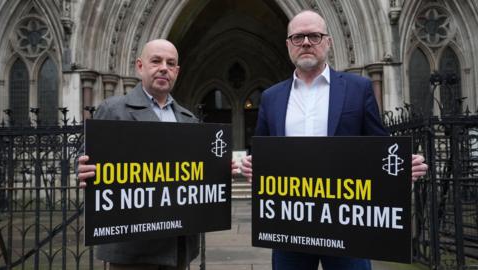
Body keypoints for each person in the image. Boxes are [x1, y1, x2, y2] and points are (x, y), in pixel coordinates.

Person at [240, 10, 428, 270]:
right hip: (289, 224)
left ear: (328, 42)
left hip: (346, 223)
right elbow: (261, 153)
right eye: (298, 37)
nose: (306, 42)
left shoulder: (357, 88)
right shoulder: (271, 97)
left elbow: (379, 147)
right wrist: (253, 167)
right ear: (288, 45)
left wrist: (399, 171)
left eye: (314, 36)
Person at [77, 39, 199, 270]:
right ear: (140, 66)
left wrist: (219, 170)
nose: (164, 67)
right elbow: (88, 158)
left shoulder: (188, 119)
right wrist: (83, 169)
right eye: (156, 61)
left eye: (170, 63)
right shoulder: (114, 109)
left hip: (178, 246)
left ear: (177, 71)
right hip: (133, 250)